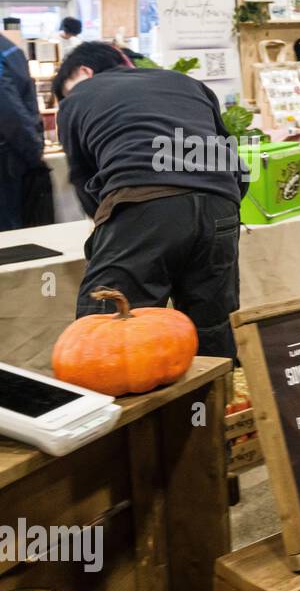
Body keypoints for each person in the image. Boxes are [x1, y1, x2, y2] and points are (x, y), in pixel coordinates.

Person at [53, 42, 247, 359]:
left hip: (143, 205)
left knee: (110, 326)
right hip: (220, 204)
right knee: (213, 324)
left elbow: (84, 179)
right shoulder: (186, 83)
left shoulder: (78, 97)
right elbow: (229, 155)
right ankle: (213, 404)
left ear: (83, 72)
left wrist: (109, 228)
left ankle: (132, 409)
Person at [0, 33, 53, 230]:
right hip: (10, 154)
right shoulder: (9, 49)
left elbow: (8, 109)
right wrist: (34, 152)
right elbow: (9, 111)